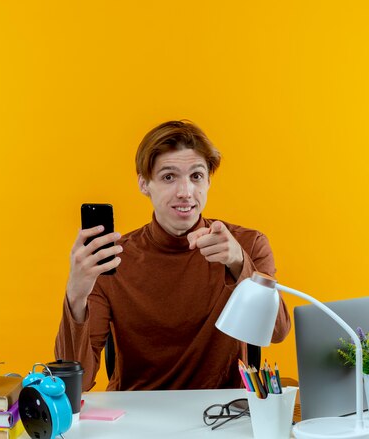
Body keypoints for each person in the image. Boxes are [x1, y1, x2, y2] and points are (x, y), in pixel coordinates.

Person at [55, 120, 290, 391]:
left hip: (222, 414)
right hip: (137, 414)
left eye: (196, 176)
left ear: (209, 180)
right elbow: (74, 385)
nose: (185, 192)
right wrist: (76, 294)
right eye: (169, 177)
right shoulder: (114, 258)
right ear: (144, 184)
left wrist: (239, 264)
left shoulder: (247, 245)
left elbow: (277, 332)